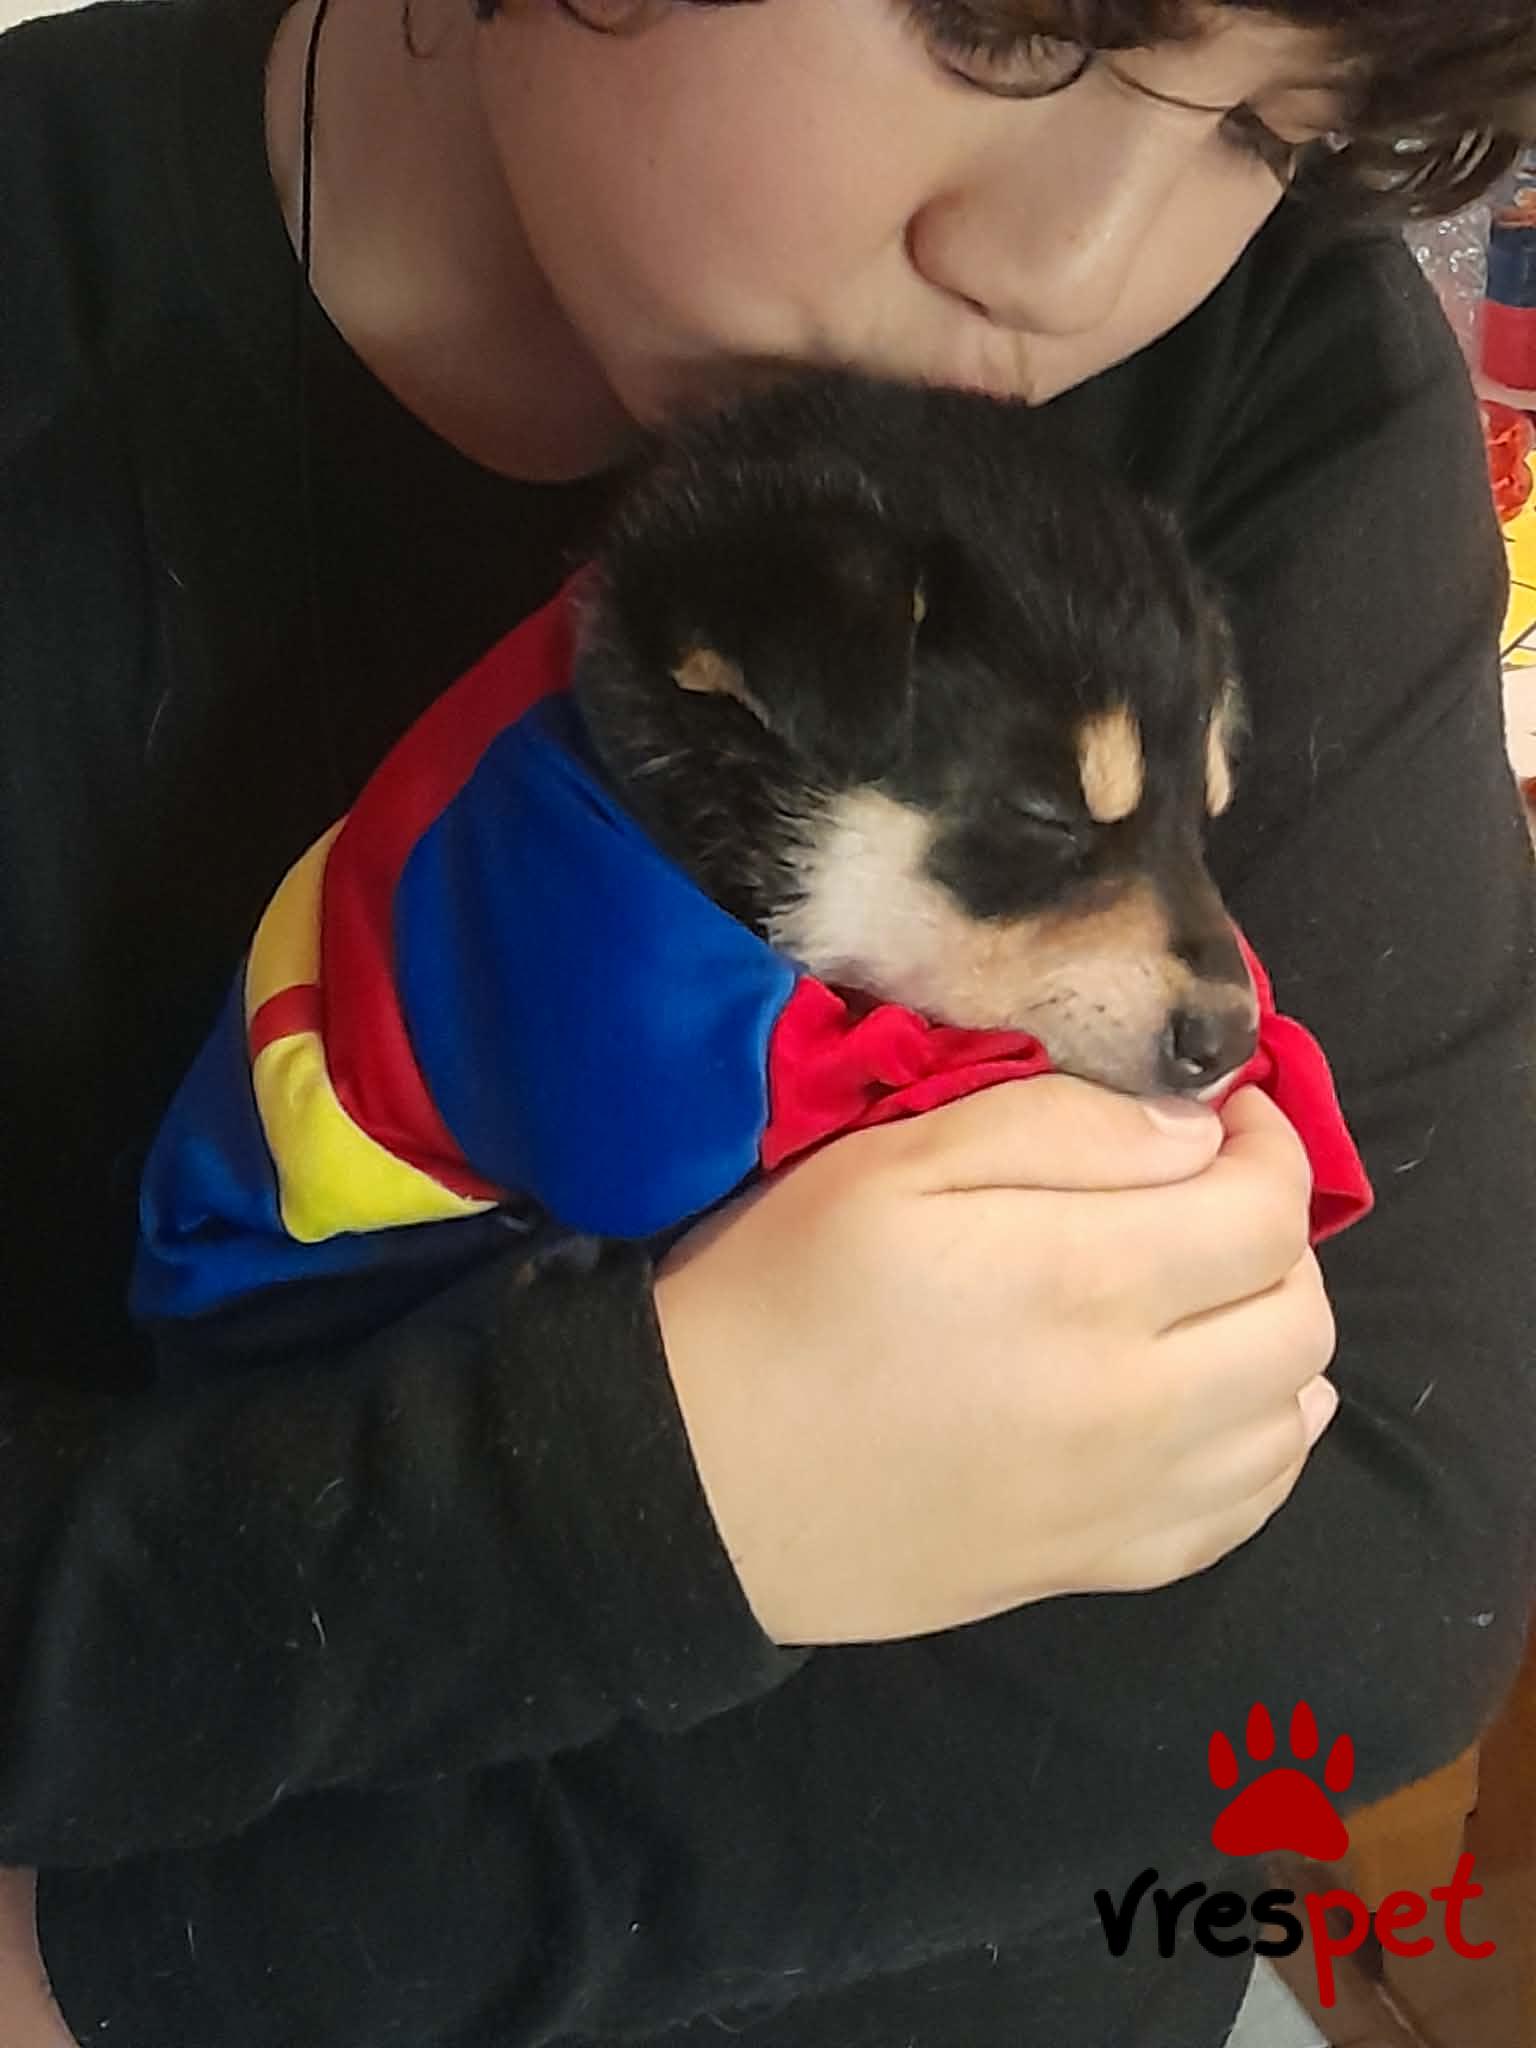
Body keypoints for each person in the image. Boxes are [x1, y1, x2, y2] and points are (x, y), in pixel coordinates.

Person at [0, 0, 1533, 2042]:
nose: (1072, 271)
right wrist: (652, 1491)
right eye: (1012, 28)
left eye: (1271, 128)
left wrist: (148, 1967)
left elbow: (1389, 1552)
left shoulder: (1282, 371)